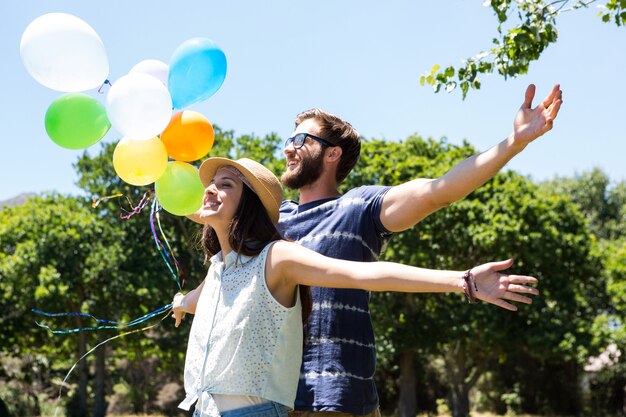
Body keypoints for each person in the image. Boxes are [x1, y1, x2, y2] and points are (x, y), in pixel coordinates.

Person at [172, 157, 540, 417]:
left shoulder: (277, 258)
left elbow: (365, 274)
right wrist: (179, 303)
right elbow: (197, 300)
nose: (210, 190)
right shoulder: (219, 269)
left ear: (248, 204)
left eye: (226, 184)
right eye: (210, 184)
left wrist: (464, 281)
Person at [277, 84, 563, 417]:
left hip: (338, 398)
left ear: (332, 153)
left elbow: (438, 192)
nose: (289, 149)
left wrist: (513, 143)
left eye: (300, 140)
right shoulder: (272, 216)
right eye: (289, 140)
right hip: (269, 396)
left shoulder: (357, 207)